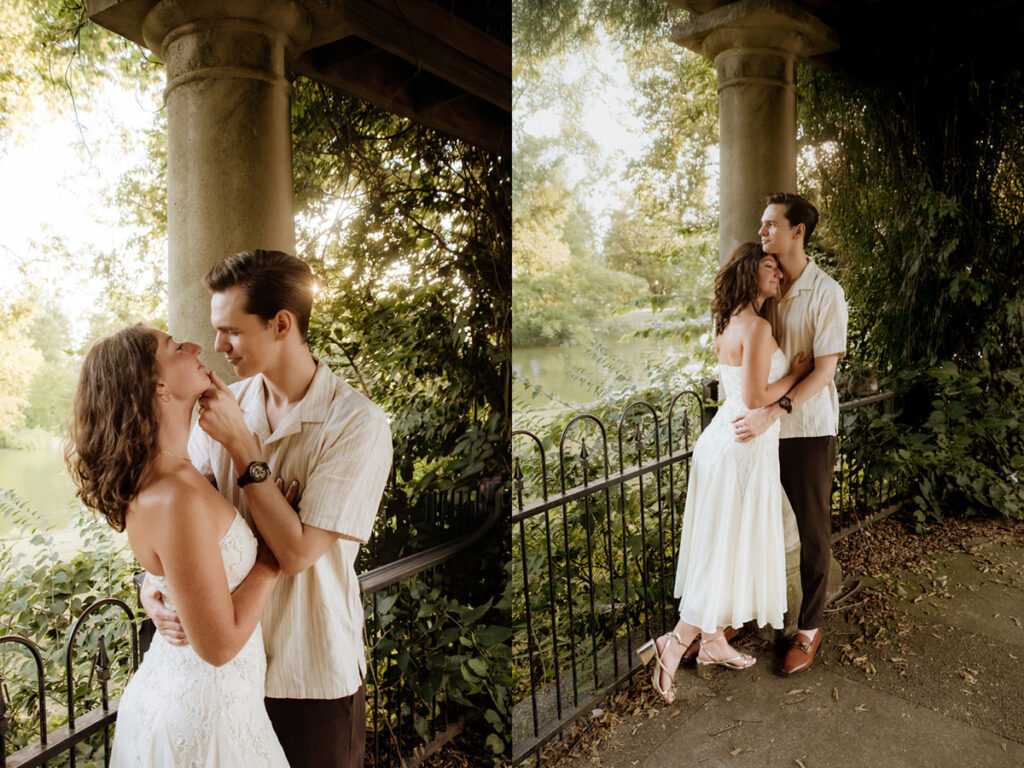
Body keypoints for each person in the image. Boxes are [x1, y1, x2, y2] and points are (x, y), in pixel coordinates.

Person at [141, 249, 393, 766]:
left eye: (231, 330)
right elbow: (181, 526)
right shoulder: (222, 404)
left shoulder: (357, 425)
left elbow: (297, 553)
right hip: (228, 679)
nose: (217, 346)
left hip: (310, 675)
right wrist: (154, 591)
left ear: (282, 323)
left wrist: (244, 450)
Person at [66, 325, 289, 766]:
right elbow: (218, 646)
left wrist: (152, 588)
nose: (195, 347)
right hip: (204, 720)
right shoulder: (175, 493)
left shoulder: (180, 475)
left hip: (214, 705)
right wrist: (269, 557)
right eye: (174, 347)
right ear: (159, 388)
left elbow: (178, 566)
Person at [639, 242, 812, 702]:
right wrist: (796, 375)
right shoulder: (755, 327)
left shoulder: (726, 321)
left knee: (722, 546)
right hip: (742, 451)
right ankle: (674, 645)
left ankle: (713, 643)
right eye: (769, 268)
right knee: (724, 552)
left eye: (779, 267)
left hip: (721, 443)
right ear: (749, 274)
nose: (778, 275)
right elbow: (756, 398)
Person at [733, 192, 848, 675]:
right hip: (762, 433)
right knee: (757, 524)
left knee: (812, 530)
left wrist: (773, 409)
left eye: (770, 225)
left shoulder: (827, 293)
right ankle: (751, 615)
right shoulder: (766, 284)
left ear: (797, 231)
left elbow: (823, 372)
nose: (762, 232)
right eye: (761, 225)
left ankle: (809, 627)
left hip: (806, 429)